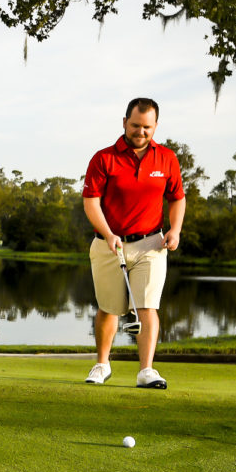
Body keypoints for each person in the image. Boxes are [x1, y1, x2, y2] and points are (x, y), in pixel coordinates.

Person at [81, 96, 185, 389]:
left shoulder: (166, 158)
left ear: (155, 126)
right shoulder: (104, 158)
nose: (141, 132)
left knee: (147, 307)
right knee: (109, 307)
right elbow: (91, 202)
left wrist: (174, 230)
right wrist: (108, 232)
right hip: (108, 244)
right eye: (136, 125)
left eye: (147, 127)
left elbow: (177, 198)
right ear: (125, 122)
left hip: (151, 244)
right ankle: (102, 364)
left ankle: (146, 371)